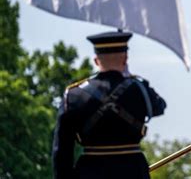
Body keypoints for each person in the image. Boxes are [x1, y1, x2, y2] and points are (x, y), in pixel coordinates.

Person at [52, 31, 167, 179]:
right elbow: (159, 107)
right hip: (132, 171)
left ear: (96, 60)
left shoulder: (74, 95)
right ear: (125, 59)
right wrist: (133, 82)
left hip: (90, 172)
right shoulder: (140, 89)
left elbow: (62, 152)